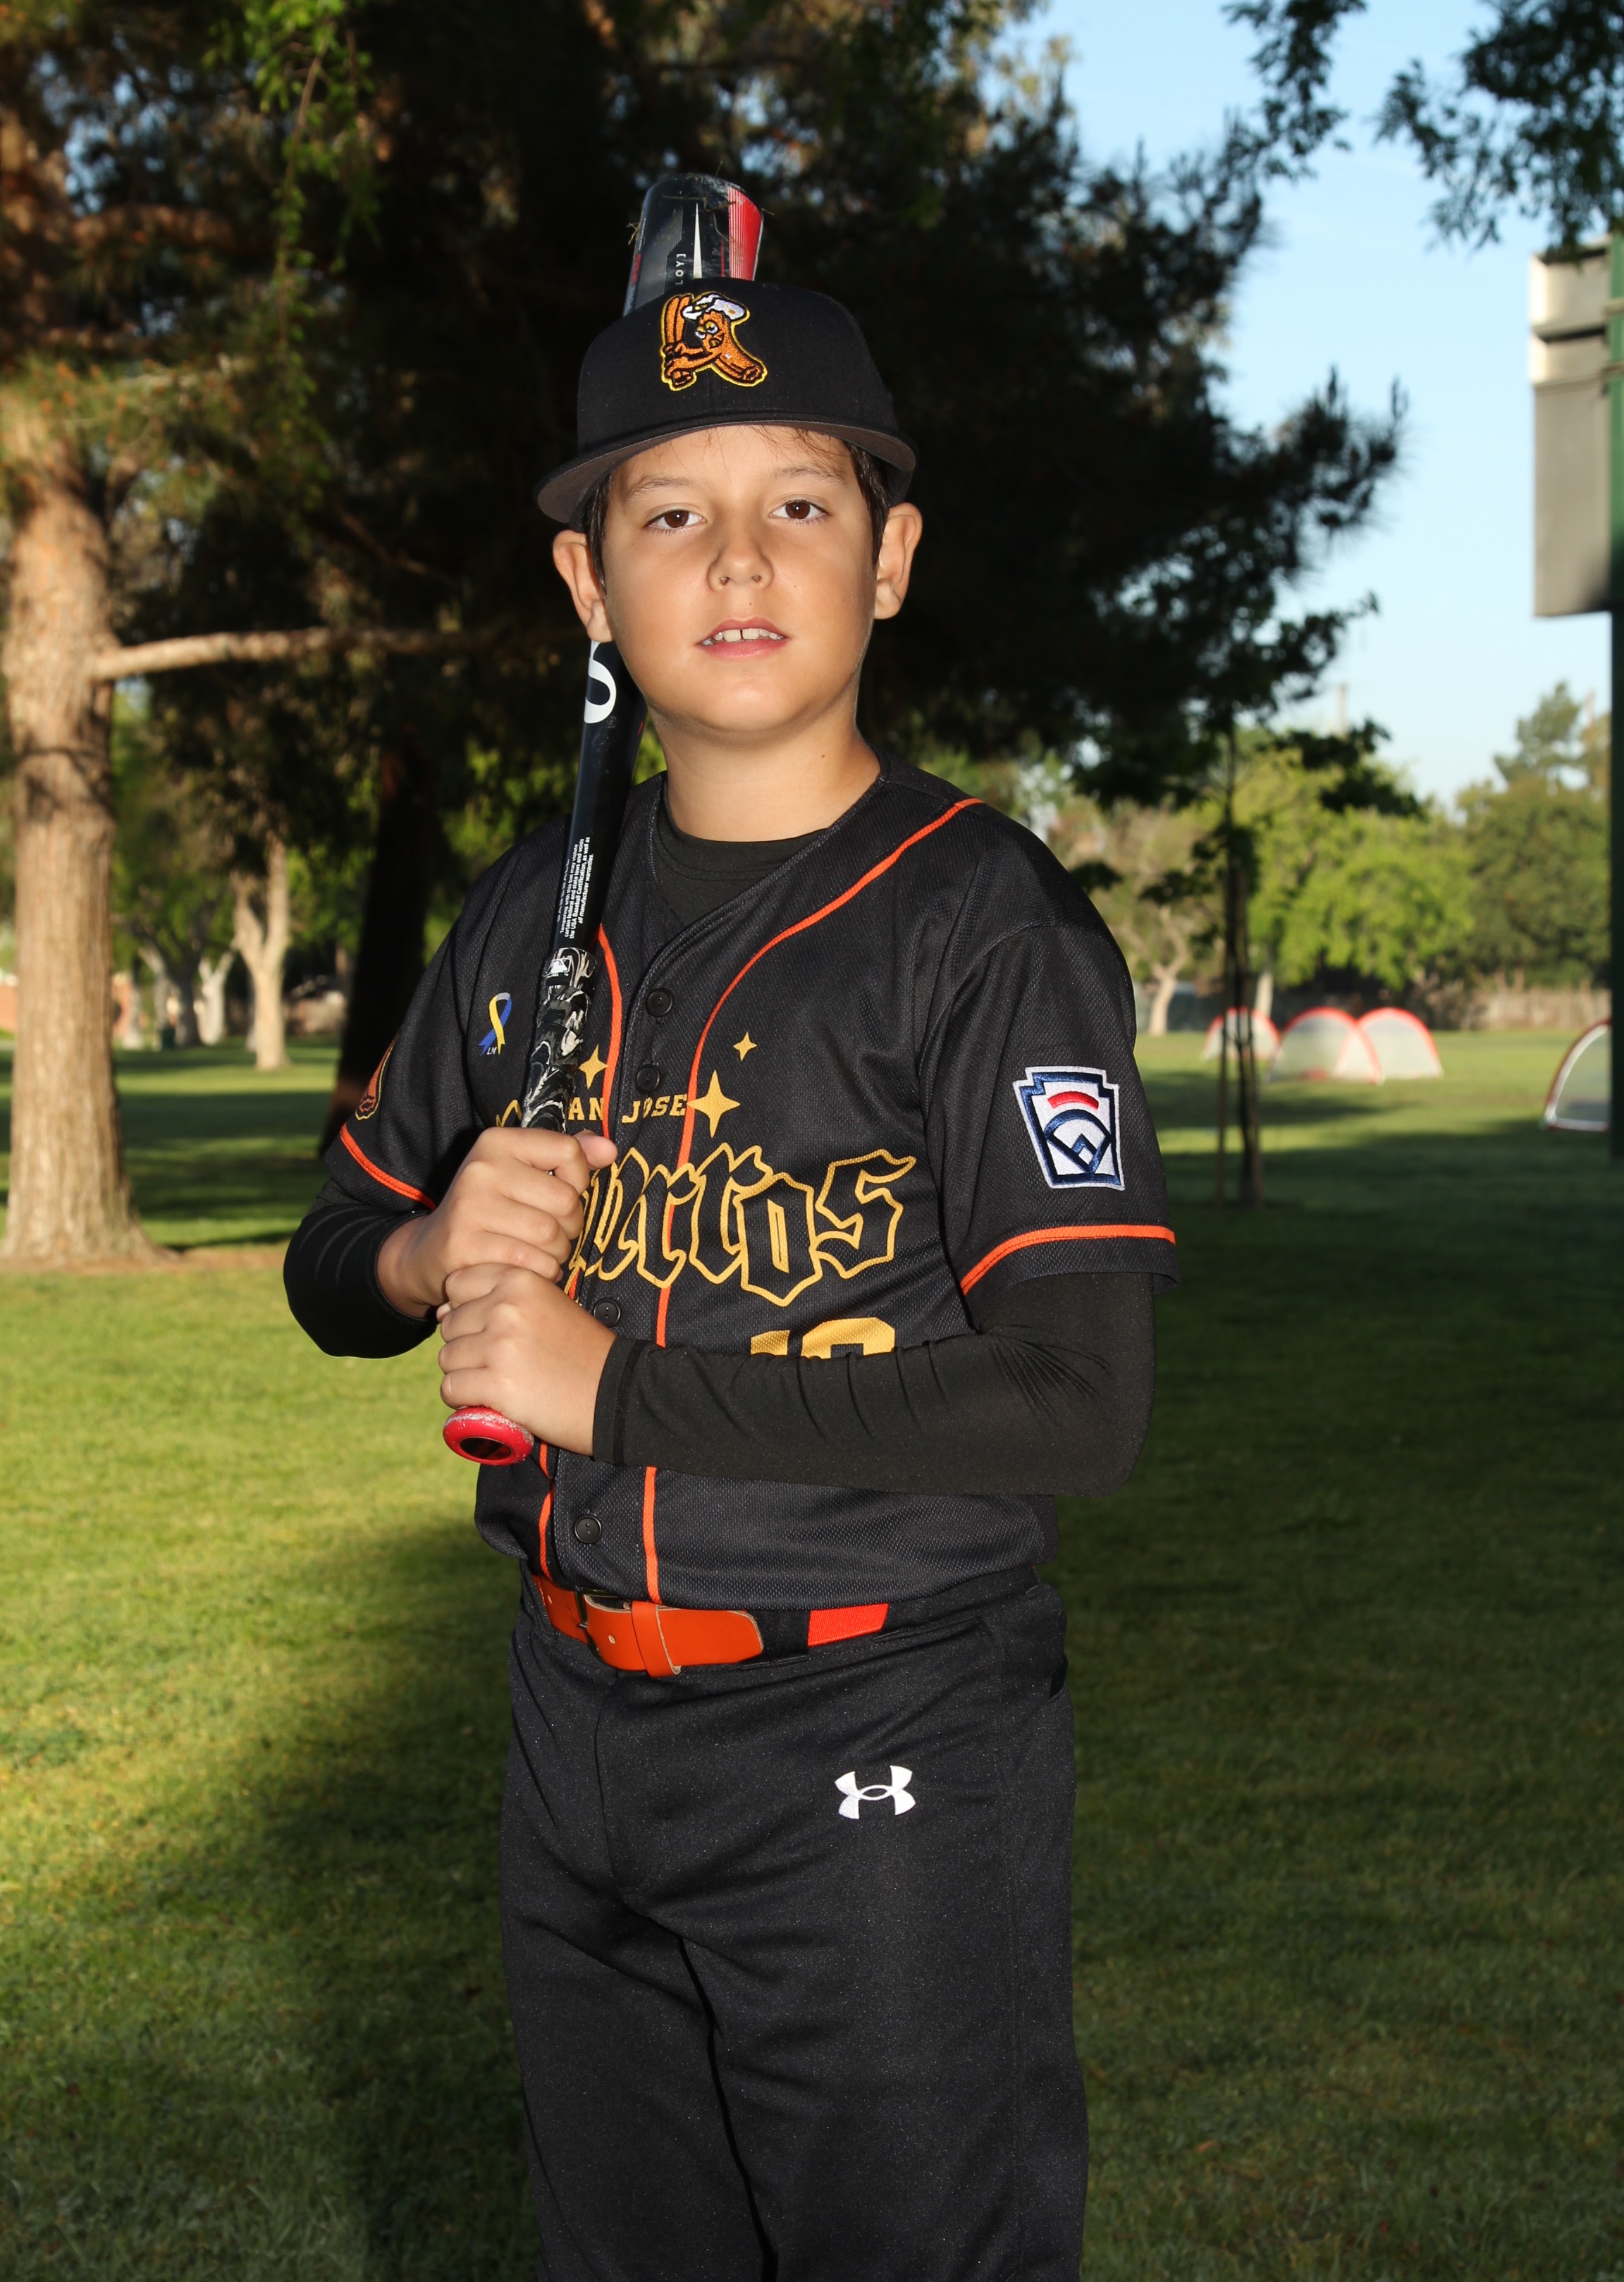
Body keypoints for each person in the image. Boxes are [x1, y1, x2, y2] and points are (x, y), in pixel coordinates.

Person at [284, 267, 1178, 2282]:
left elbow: (1080, 1403)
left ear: (894, 560)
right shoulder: (531, 917)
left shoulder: (983, 925)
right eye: (671, 511)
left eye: (803, 502)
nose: (742, 558)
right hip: (572, 1724)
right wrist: (427, 1248)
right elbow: (330, 1262)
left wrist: (609, 1386)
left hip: (880, 1724)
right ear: (588, 587)